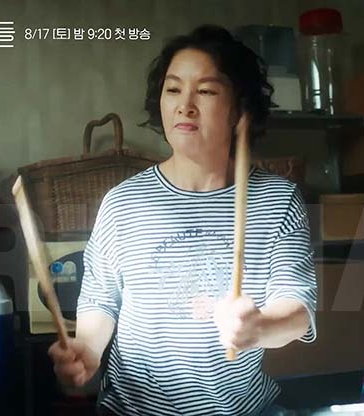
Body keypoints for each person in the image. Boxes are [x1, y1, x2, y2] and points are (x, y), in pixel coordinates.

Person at [48, 24, 317, 416]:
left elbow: (296, 309)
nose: (185, 105)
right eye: (173, 89)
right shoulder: (124, 202)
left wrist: (258, 327)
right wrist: (87, 350)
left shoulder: (276, 200)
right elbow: (101, 299)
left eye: (205, 91)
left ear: (239, 108)